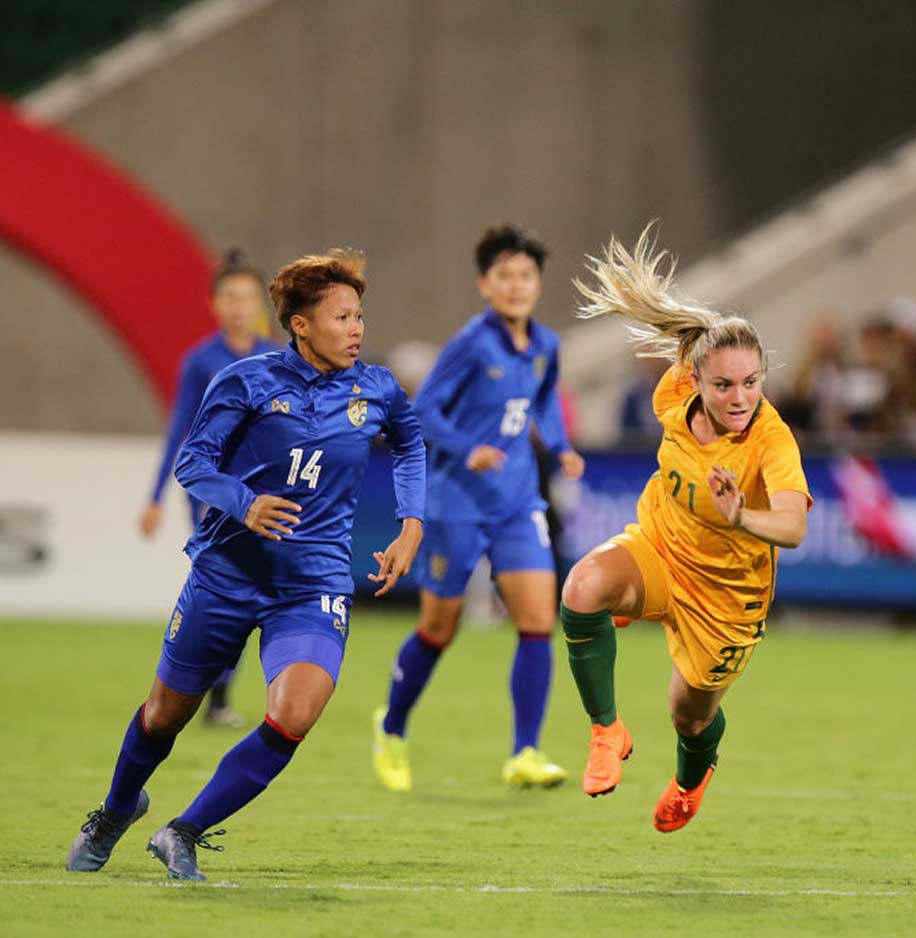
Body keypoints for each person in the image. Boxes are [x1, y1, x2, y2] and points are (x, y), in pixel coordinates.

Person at [66, 249, 425, 881]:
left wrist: (411, 522)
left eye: (359, 316)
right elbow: (194, 462)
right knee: (163, 716)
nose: (357, 329)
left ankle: (183, 831)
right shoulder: (246, 380)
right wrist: (246, 502)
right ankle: (117, 809)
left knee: (295, 715)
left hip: (312, 584)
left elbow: (411, 442)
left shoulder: (376, 388)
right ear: (301, 325)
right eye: (341, 317)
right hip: (227, 577)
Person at [560, 229, 811, 833]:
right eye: (724, 384)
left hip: (726, 601)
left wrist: (742, 517)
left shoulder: (770, 439)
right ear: (695, 380)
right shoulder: (673, 393)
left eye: (751, 383)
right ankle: (606, 731)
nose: (740, 397)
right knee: (581, 588)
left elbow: (796, 526)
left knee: (688, 719)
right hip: (660, 548)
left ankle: (692, 780)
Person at [372, 224, 584, 793]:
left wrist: (561, 449)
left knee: (539, 622)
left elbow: (545, 402)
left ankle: (526, 752)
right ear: (484, 285)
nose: (517, 286)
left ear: (538, 284)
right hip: (456, 505)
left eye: (526, 275)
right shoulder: (471, 343)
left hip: (517, 504)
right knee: (440, 628)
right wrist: (470, 451)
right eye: (505, 276)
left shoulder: (545, 345)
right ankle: (390, 726)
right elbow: (423, 412)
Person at [139, 250, 280, 728]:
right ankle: (203, 690)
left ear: (260, 303)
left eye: (247, 297)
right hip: (213, 491)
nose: (239, 306)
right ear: (215, 304)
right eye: (230, 297)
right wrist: (156, 495)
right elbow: (180, 427)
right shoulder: (201, 361)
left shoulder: (275, 358)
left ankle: (216, 692)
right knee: (219, 584)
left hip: (259, 489)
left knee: (249, 589)